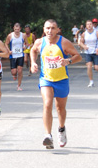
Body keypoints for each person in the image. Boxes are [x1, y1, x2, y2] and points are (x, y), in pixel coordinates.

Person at [30, 19, 81, 149]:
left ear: (57, 29)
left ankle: (61, 129)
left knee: (60, 108)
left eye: (53, 28)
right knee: (47, 104)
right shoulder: (39, 42)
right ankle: (48, 135)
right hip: (46, 79)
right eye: (47, 28)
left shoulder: (63, 42)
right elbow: (33, 50)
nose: (50, 31)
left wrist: (68, 61)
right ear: (43, 29)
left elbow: (78, 56)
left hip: (62, 79)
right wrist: (33, 63)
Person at [79, 20, 98, 87]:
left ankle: (95, 64)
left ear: (92, 25)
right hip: (88, 52)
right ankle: (91, 81)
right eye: (88, 24)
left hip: (95, 52)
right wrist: (84, 46)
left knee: (97, 68)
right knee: (89, 67)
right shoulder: (84, 34)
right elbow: (81, 42)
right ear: (86, 26)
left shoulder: (97, 33)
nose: (89, 26)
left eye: (90, 24)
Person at [5, 23, 29, 91]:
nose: (17, 31)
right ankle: (14, 75)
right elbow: (6, 43)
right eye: (15, 29)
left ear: (20, 29)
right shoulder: (10, 35)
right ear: (13, 28)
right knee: (14, 71)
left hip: (20, 55)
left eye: (18, 29)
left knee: (20, 70)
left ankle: (19, 85)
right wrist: (8, 50)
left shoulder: (23, 35)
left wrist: (25, 47)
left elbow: (27, 44)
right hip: (13, 55)